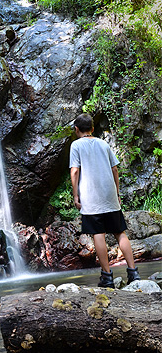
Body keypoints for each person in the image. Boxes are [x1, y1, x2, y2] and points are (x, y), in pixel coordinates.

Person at [69, 113, 140, 288]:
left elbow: (75, 171)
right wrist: (116, 192)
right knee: (119, 232)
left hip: (90, 197)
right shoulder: (103, 143)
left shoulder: (76, 145)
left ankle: (107, 276)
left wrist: (76, 196)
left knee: (98, 234)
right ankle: (133, 273)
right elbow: (114, 169)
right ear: (92, 129)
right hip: (109, 195)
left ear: (76, 129)